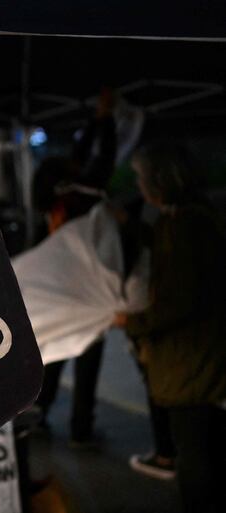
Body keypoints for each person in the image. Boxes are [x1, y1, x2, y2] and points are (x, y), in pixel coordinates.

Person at [115, 143, 226, 513]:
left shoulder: (186, 225)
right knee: (201, 447)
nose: (139, 185)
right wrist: (132, 226)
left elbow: (179, 300)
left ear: (160, 181)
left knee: (194, 454)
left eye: (142, 178)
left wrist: (131, 322)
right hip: (197, 359)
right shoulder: (187, 219)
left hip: (190, 364)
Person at [31, 89, 117, 447]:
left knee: (53, 354)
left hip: (57, 291)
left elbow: (81, 162)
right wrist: (105, 120)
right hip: (84, 291)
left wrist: (96, 120)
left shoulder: (51, 205)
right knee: (86, 361)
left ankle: (39, 412)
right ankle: (81, 429)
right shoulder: (80, 200)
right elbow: (101, 166)